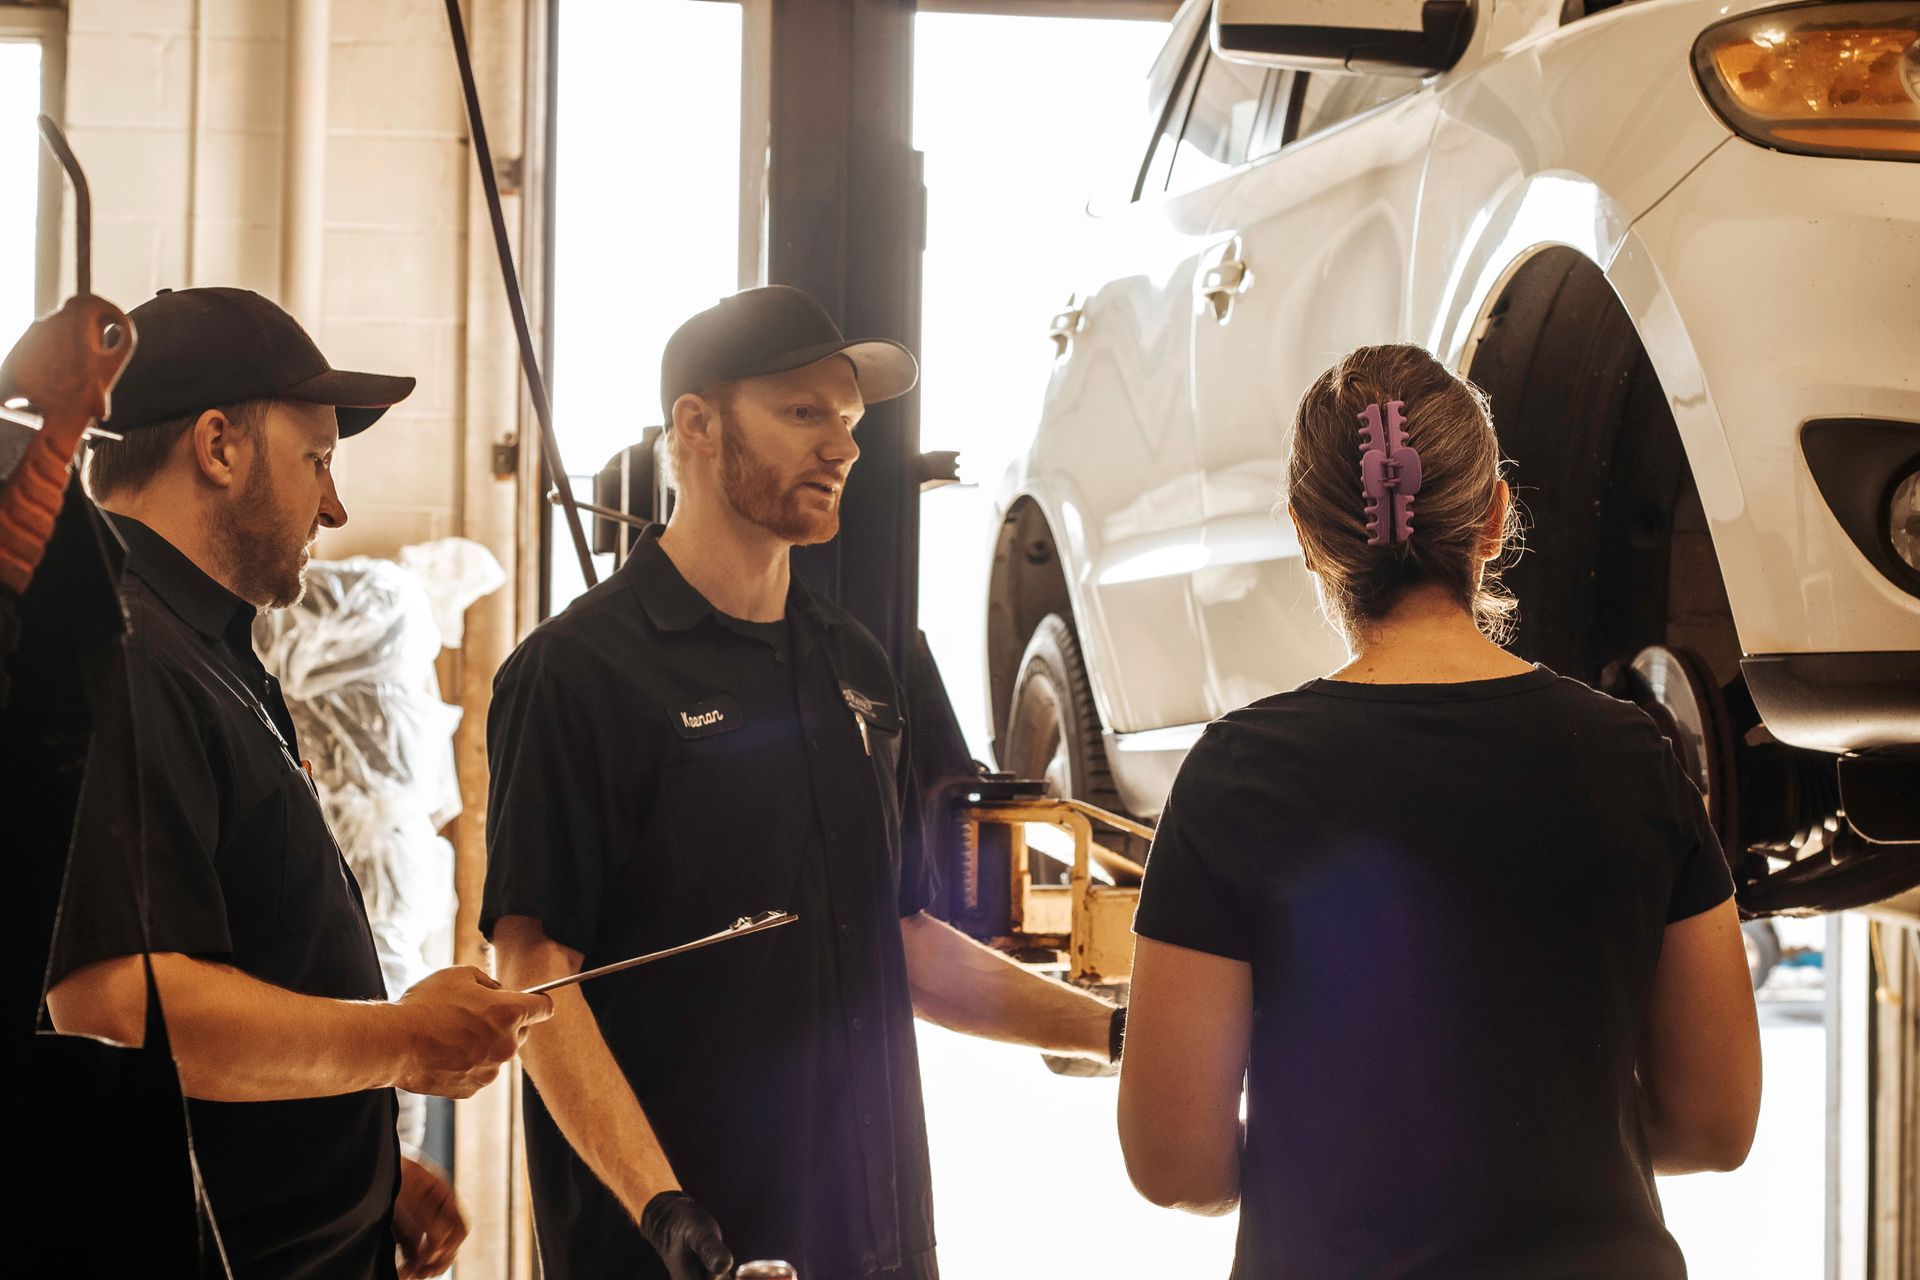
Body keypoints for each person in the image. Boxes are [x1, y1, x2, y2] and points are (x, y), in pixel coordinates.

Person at [483, 285, 1119, 1280]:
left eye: (850, 419)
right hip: (684, 1250)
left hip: (876, 1242)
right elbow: (534, 976)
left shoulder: (855, 664)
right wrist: (662, 1209)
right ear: (696, 424)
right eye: (803, 411)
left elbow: (901, 942)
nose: (843, 446)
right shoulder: (578, 674)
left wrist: (1118, 1031)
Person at [1115, 343, 1763, 1279]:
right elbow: (1715, 1124)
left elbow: (1174, 1161)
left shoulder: (1237, 776)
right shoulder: (1635, 757)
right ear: (1495, 516)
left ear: (1309, 535)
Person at [41, 287, 554, 1280]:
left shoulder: (206, 651)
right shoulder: (124, 651)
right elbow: (123, 1006)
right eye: (317, 458)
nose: (334, 504)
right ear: (218, 445)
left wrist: (366, 1167)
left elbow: (250, 957)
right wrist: (403, 1041)